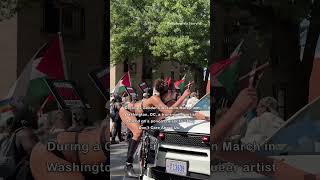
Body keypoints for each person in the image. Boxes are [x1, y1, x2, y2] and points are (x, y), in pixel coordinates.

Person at [212, 88, 318, 179]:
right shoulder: (280, 121)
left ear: (264, 107)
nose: (257, 110)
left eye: (259, 107)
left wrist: (236, 110)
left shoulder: (255, 121)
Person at [119, 79, 209, 177]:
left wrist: (204, 117)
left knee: (151, 132)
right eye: (176, 91)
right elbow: (169, 112)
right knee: (138, 132)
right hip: (128, 111)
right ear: (170, 92)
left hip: (143, 118)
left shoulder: (169, 103)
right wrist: (183, 96)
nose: (176, 93)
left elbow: (187, 111)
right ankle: (128, 165)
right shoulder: (155, 99)